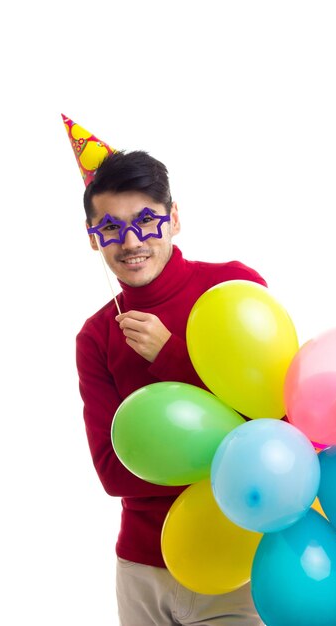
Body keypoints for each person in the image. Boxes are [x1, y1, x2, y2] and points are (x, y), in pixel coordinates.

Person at [62, 115, 267, 625]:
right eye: (110, 227)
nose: (130, 241)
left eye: (145, 220)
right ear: (93, 238)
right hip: (140, 571)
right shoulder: (95, 337)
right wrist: (220, 457)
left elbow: (272, 430)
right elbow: (112, 473)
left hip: (235, 563)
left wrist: (172, 355)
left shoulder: (233, 290)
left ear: (174, 217)